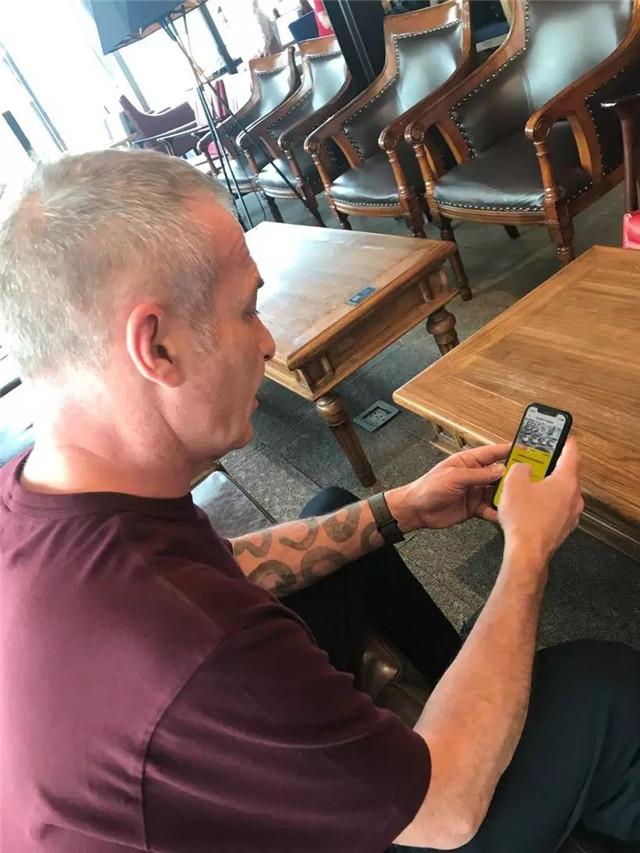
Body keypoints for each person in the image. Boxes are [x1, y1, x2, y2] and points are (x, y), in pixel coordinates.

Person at [0, 149, 638, 853]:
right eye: (248, 310)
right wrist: (528, 553)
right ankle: (501, 752)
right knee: (601, 686)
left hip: (190, 776)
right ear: (157, 347)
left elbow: (223, 566)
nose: (266, 339)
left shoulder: (38, 493)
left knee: (343, 518)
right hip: (416, 807)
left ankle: (484, 718)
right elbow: (447, 809)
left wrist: (405, 507)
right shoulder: (191, 648)